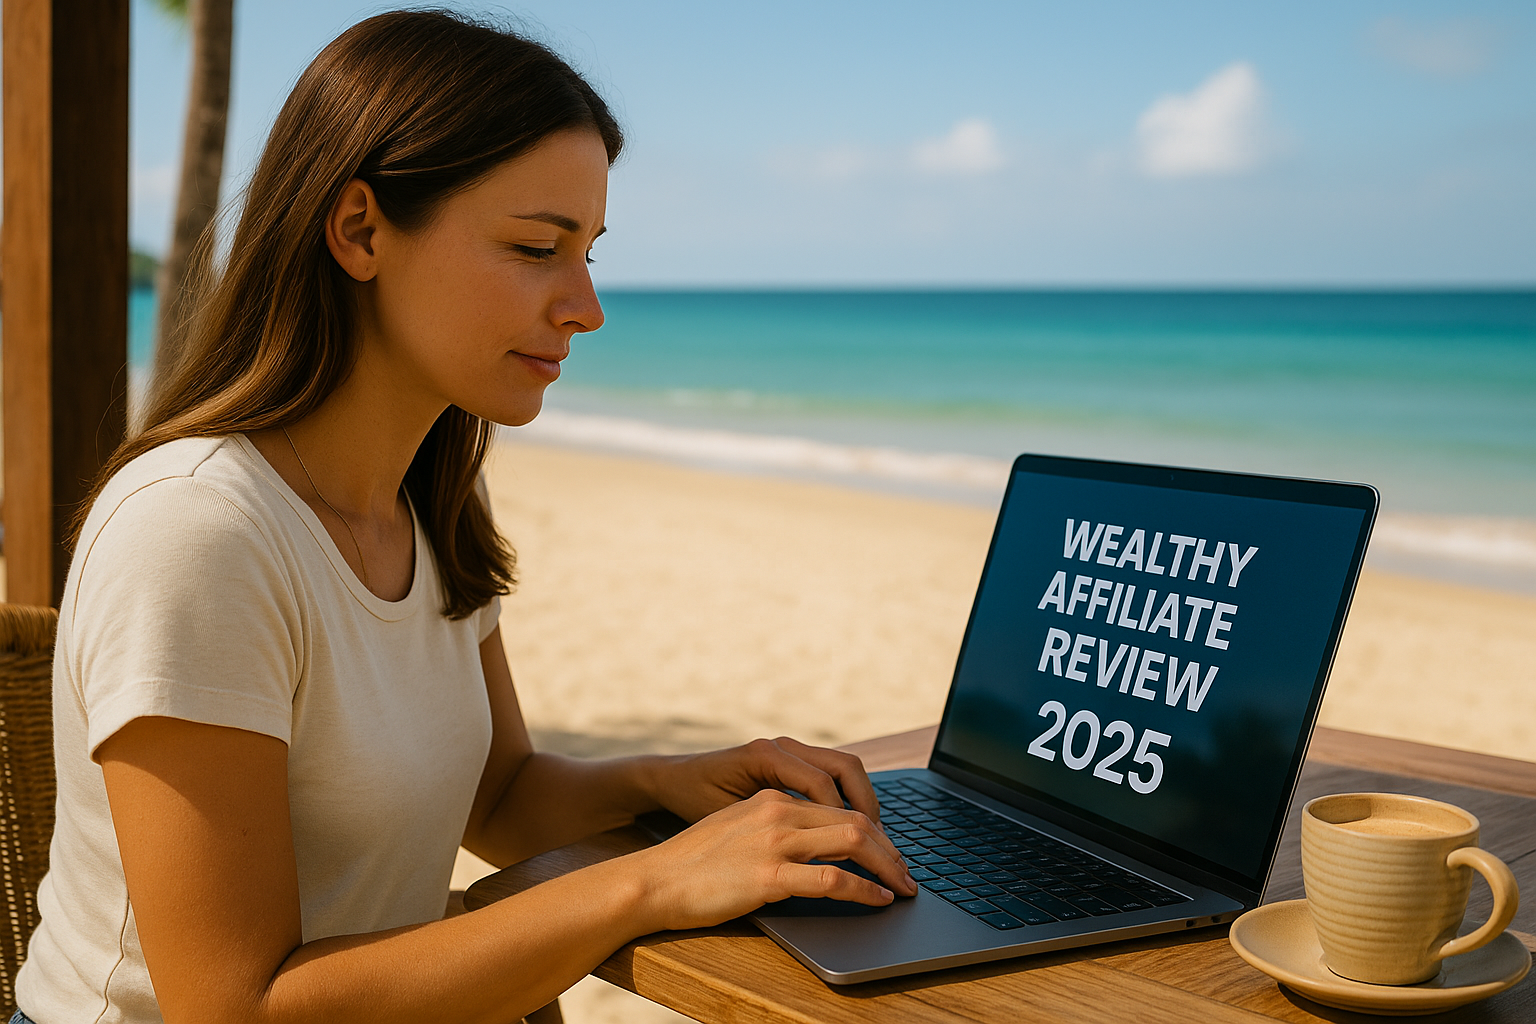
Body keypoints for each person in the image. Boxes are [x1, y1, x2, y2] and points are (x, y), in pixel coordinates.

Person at [14, 11, 915, 1024]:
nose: (585, 305)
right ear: (359, 231)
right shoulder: (196, 534)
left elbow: (499, 796)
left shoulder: (426, 492)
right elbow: (230, 1006)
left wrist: (676, 782)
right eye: (538, 246)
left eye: (589, 253)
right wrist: (649, 883)